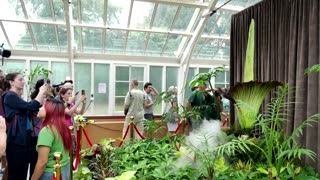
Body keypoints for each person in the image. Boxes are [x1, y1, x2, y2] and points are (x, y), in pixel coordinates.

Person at [2, 72, 48, 180]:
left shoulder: (17, 97)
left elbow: (34, 108)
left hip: (23, 139)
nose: (23, 82)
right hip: (16, 140)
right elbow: (31, 107)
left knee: (22, 171)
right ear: (11, 82)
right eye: (20, 79)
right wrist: (41, 92)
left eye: (23, 79)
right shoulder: (9, 96)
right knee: (17, 173)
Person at [31, 99, 73, 180]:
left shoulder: (46, 131)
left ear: (50, 111)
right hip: (64, 171)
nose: (39, 108)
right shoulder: (62, 127)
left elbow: (42, 162)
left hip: (51, 174)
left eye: (43, 106)